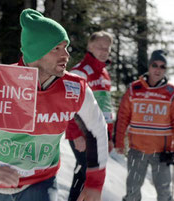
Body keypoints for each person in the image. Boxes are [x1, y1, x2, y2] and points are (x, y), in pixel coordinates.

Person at [0, 9, 108, 201]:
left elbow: (97, 130)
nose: (65, 55)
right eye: (56, 48)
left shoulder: (75, 88)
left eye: (65, 47)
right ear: (36, 53)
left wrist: (95, 182)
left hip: (41, 183)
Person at [114, 50, 174, 201]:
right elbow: (122, 117)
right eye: (155, 65)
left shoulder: (172, 93)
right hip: (136, 150)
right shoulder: (134, 89)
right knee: (132, 191)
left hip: (161, 153)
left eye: (162, 66)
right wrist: (119, 142)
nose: (158, 69)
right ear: (149, 66)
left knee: (164, 193)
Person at [65, 31, 114, 201]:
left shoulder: (104, 74)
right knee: (84, 171)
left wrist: (109, 135)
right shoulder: (80, 72)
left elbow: (106, 108)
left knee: (91, 173)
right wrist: (75, 134)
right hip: (82, 132)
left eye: (107, 49)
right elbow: (69, 105)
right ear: (90, 46)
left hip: (97, 133)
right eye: (100, 47)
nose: (103, 51)